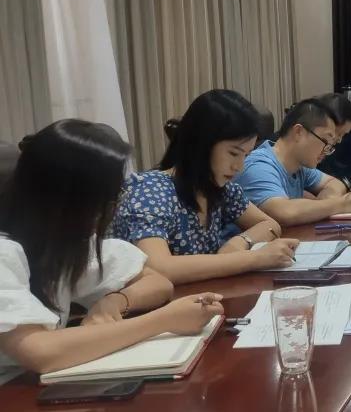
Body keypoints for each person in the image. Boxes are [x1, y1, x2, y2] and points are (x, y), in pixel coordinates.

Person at [0, 120, 223, 378]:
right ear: (67, 200)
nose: (113, 210)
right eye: (108, 199)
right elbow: (41, 352)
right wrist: (164, 320)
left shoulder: (61, 245)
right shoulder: (5, 252)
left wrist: (115, 302)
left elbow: (157, 282)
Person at [111, 90, 298, 285]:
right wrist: (255, 258)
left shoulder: (220, 188)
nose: (239, 166)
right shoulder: (149, 191)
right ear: (201, 144)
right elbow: (159, 268)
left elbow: (269, 224)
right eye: (234, 153)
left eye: (246, 155)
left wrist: (239, 243)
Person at [235, 99, 351, 226]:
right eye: (325, 141)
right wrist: (340, 205)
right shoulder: (259, 165)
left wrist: (323, 205)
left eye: (330, 145)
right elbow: (283, 212)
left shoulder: (299, 165)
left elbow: (334, 183)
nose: (327, 150)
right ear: (298, 132)